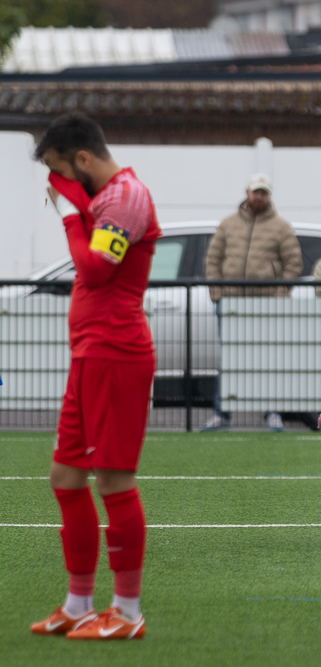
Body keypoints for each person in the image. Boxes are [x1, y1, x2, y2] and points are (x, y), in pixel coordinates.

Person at [31, 113, 160, 640]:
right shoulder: (103, 198)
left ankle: (127, 612)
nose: (60, 184)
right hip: (90, 355)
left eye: (62, 171)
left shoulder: (126, 196)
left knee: (112, 480)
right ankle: (78, 603)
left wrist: (66, 213)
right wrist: (68, 196)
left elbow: (95, 269)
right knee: (65, 476)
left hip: (116, 354)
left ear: (83, 159)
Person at [202, 173, 303, 432]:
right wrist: (218, 294)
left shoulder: (281, 227)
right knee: (229, 359)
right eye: (256, 192)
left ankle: (272, 413)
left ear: (268, 196)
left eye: (264, 193)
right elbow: (213, 260)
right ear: (247, 192)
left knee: (269, 360)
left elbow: (293, 264)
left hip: (266, 304)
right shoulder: (227, 224)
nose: (259, 197)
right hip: (231, 304)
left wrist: (279, 296)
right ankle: (221, 414)